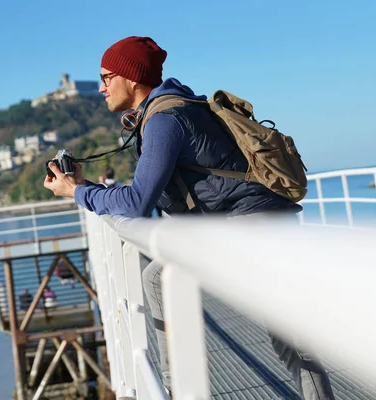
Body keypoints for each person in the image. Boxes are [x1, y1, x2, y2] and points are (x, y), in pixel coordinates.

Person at [44, 36, 334, 399]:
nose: (101, 88)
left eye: (106, 77)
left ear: (132, 78)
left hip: (254, 224)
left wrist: (77, 192)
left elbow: (136, 201)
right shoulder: (169, 109)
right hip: (246, 221)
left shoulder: (165, 119)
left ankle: (178, 391)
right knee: (163, 280)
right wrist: (87, 187)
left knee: (290, 340)